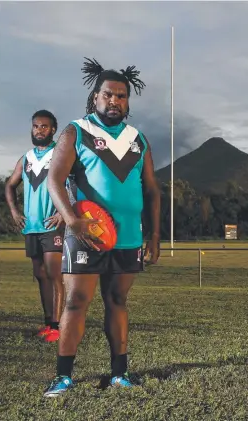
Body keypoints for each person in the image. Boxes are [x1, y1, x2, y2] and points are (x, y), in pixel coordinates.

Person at [43, 58, 160, 397]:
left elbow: (152, 189)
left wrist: (154, 235)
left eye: (122, 96)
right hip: (86, 233)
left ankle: (119, 373)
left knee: (117, 300)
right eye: (108, 95)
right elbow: (55, 179)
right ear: (95, 97)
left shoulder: (138, 139)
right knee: (77, 301)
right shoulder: (76, 131)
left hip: (128, 235)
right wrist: (72, 220)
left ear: (128, 102)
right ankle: (63, 376)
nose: (115, 101)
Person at [5, 110, 65, 343]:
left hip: (52, 226)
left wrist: (63, 211)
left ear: (53, 130)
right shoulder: (27, 157)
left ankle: (58, 326)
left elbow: (78, 184)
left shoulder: (60, 155)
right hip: (32, 227)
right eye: (36, 126)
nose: (39, 130)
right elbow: (10, 186)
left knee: (54, 275)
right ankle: (48, 322)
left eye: (44, 127)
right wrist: (14, 211)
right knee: (40, 275)